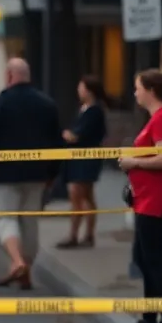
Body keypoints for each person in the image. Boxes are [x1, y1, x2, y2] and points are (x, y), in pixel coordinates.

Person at [0, 58, 63, 289]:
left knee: (5, 218)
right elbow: (57, 142)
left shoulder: (0, 103)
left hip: (3, 175)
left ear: (10, 75)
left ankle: (16, 261)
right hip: (37, 175)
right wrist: (53, 173)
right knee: (29, 222)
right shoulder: (47, 104)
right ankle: (26, 272)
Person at [117, 70, 162, 323]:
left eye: (137, 88)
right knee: (144, 259)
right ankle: (148, 319)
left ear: (150, 90)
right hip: (146, 197)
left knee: (156, 262)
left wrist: (135, 163)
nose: (135, 93)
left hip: (157, 199)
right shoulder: (156, 119)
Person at [57, 75, 108, 248]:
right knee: (86, 196)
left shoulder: (94, 111)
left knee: (77, 196)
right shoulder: (83, 109)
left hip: (85, 159)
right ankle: (87, 235)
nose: (79, 91)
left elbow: (76, 135)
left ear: (89, 91)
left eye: (81, 88)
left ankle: (75, 235)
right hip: (78, 158)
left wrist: (66, 134)